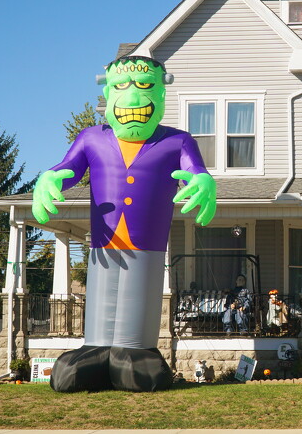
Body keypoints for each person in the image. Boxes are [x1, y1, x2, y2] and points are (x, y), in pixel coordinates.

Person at [31, 56, 217, 392]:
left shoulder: (177, 141)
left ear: (161, 92)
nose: (133, 96)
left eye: (145, 86)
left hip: (147, 241)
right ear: (108, 92)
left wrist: (202, 181)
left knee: (138, 295)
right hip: (104, 239)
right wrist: (51, 177)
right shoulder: (91, 138)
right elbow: (68, 168)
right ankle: (97, 349)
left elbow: (194, 170)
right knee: (101, 294)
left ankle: (135, 352)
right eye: (121, 86)